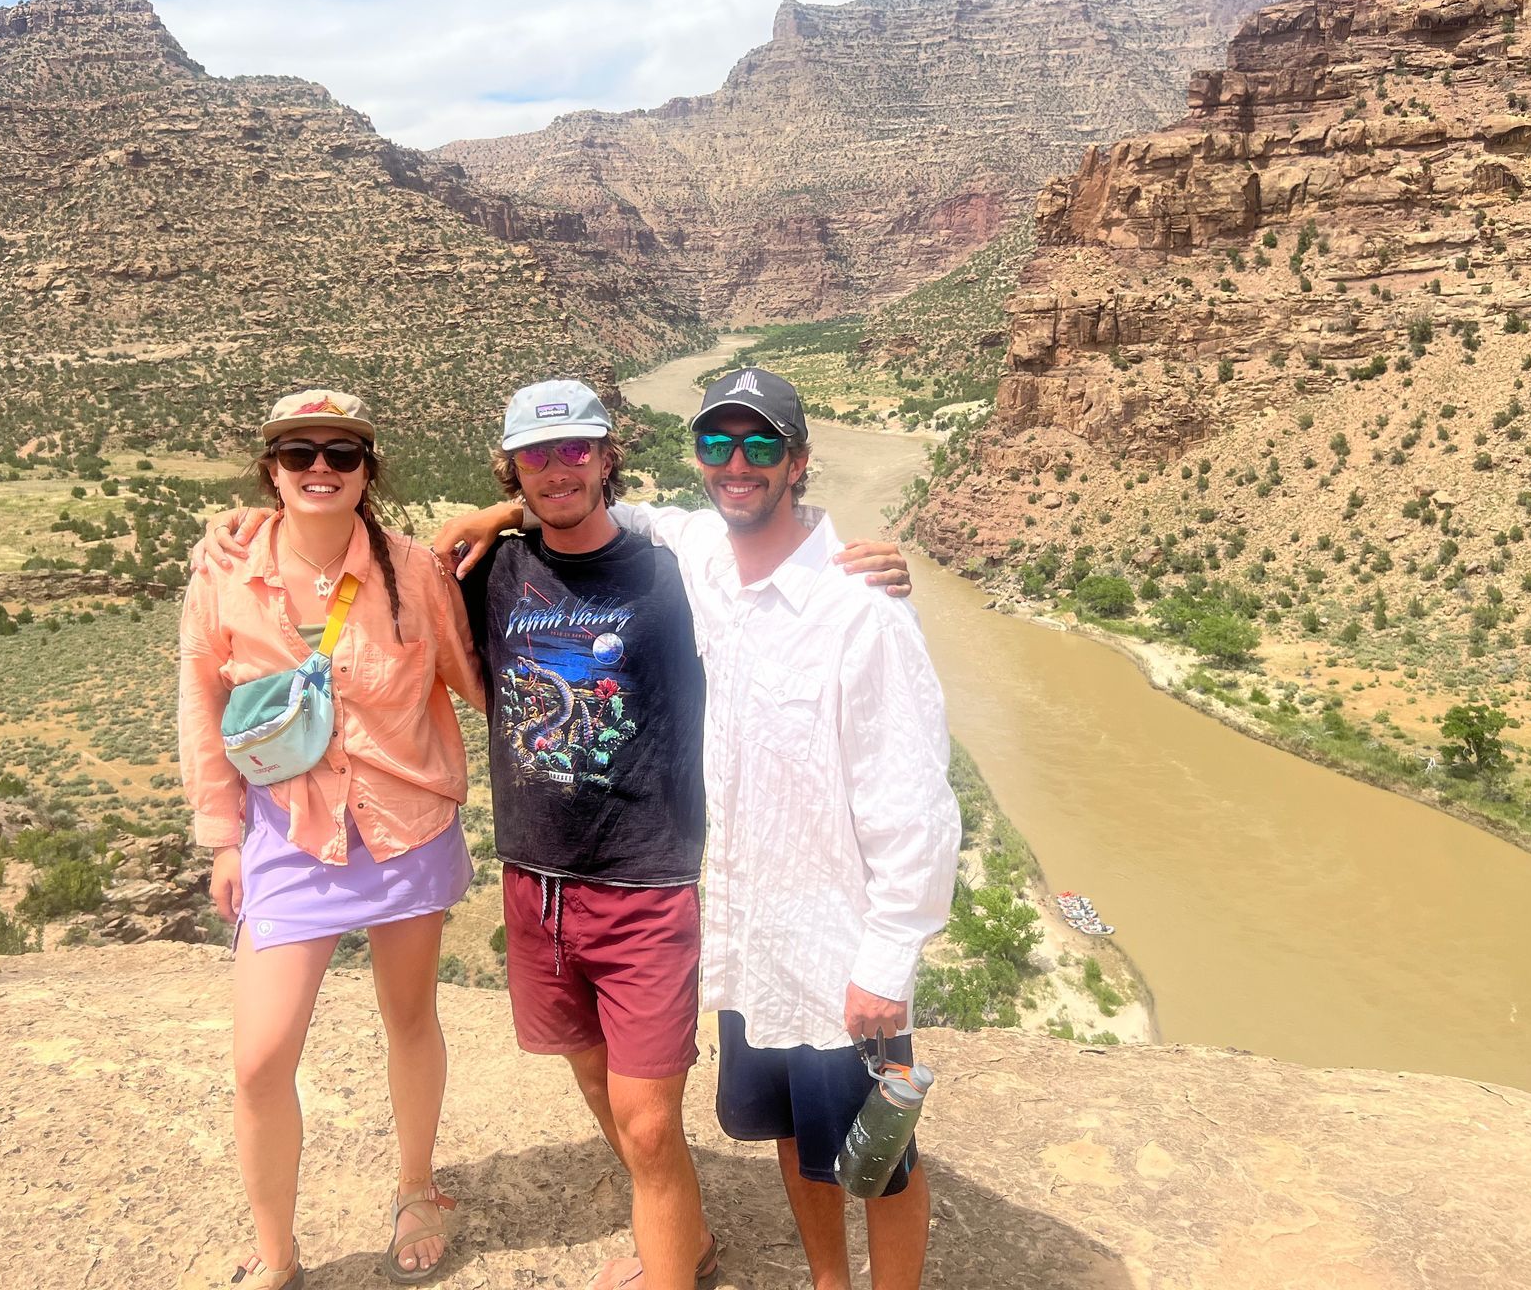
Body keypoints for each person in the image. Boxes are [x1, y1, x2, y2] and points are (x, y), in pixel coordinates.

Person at [200, 377, 912, 1290]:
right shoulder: (486, 572)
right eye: (537, 455)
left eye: (578, 449)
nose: (558, 470)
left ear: (611, 457)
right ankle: (684, 1234)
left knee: (649, 1121)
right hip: (538, 887)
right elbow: (390, 600)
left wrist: (864, 568)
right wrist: (243, 533)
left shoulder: (678, 571)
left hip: (647, 882)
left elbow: (770, 565)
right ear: (513, 469)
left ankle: (669, 1258)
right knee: (590, 1079)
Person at [446, 368, 959, 1290]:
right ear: (695, 458)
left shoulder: (861, 613)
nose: (738, 463)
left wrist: (888, 958)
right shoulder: (703, 562)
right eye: (718, 444)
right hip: (753, 935)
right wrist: (499, 517)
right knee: (799, 1139)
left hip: (841, 939)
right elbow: (621, 515)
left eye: (761, 445)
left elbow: (914, 801)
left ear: (798, 462)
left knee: (884, 1156)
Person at [179, 389, 485, 1289]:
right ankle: (279, 1250)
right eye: (298, 453)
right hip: (285, 836)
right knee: (261, 1057)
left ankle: (417, 1187)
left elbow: (479, 677)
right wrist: (222, 837)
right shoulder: (225, 573)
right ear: (270, 470)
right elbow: (201, 707)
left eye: (342, 454)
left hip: (405, 831)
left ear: (368, 471)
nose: (320, 468)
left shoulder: (414, 572)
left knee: (409, 1018)